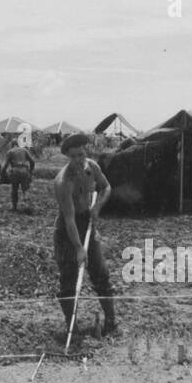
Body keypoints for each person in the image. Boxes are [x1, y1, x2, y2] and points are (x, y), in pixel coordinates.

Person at [53, 133, 118, 337]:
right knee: (69, 279)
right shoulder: (63, 182)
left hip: (87, 221)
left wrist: (97, 206)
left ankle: (111, 322)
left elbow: (106, 187)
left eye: (81, 154)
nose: (78, 160)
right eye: (73, 156)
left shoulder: (92, 167)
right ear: (68, 157)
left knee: (100, 272)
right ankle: (72, 328)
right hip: (67, 230)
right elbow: (69, 219)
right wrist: (79, 248)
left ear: (85, 152)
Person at [3, 142, 35, 210]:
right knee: (25, 189)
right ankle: (27, 205)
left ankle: (14, 207)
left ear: (12, 145)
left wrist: (1, 174)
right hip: (24, 170)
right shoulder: (24, 150)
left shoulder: (10, 152)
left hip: (15, 171)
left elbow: (5, 165)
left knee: (14, 189)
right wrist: (30, 171)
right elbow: (32, 161)